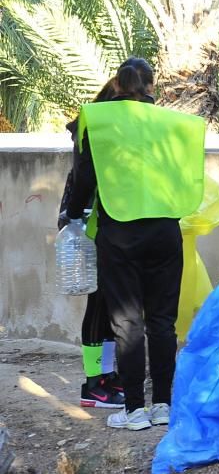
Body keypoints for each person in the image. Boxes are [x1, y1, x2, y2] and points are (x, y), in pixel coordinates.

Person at [66, 57, 206, 431]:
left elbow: (84, 177)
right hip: (164, 229)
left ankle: (133, 410)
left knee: (126, 322)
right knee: (163, 321)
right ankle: (163, 404)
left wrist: (74, 214)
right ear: (151, 87)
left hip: (119, 231)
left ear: (118, 84)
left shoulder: (97, 119)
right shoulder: (173, 124)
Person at [58, 78, 125, 410]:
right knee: (98, 304)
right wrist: (74, 217)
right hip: (89, 222)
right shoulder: (93, 127)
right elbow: (84, 178)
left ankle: (108, 375)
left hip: (104, 222)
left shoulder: (106, 125)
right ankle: (93, 383)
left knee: (112, 304)